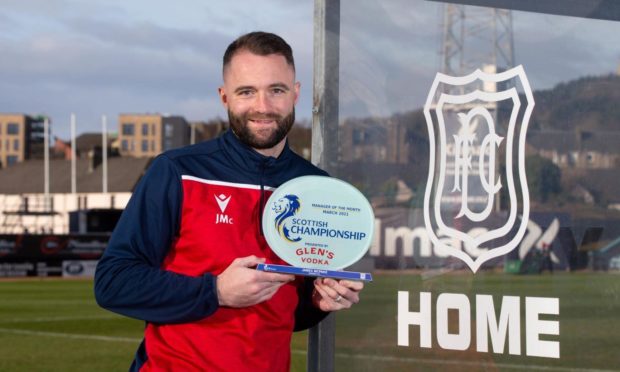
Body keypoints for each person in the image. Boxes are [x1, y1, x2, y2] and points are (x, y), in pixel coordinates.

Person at [94, 31, 364, 371]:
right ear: (224, 97)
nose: (262, 107)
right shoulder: (178, 171)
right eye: (246, 91)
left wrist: (319, 299)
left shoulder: (316, 188)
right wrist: (216, 291)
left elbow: (287, 313)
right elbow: (113, 282)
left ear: (295, 94)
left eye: (276, 90)